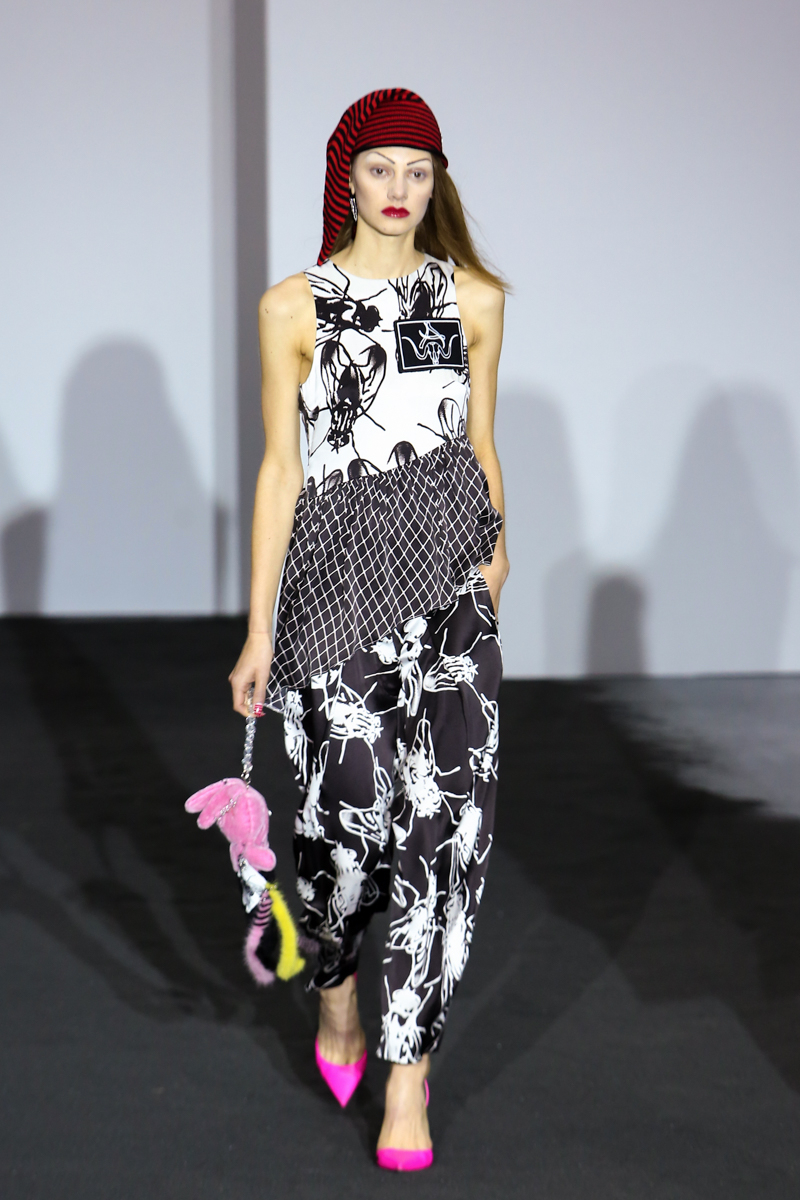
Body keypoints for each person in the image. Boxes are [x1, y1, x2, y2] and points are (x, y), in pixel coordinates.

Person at [229, 87, 509, 1172]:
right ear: (345, 176)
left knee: (446, 832)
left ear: (438, 183)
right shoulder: (292, 307)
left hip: (451, 586)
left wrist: (495, 554)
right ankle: (337, 988)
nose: (399, 189)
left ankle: (406, 1076)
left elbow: (479, 441)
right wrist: (259, 629)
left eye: (418, 171)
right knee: (342, 828)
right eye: (380, 167)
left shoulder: (472, 297)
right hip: (335, 584)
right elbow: (280, 470)